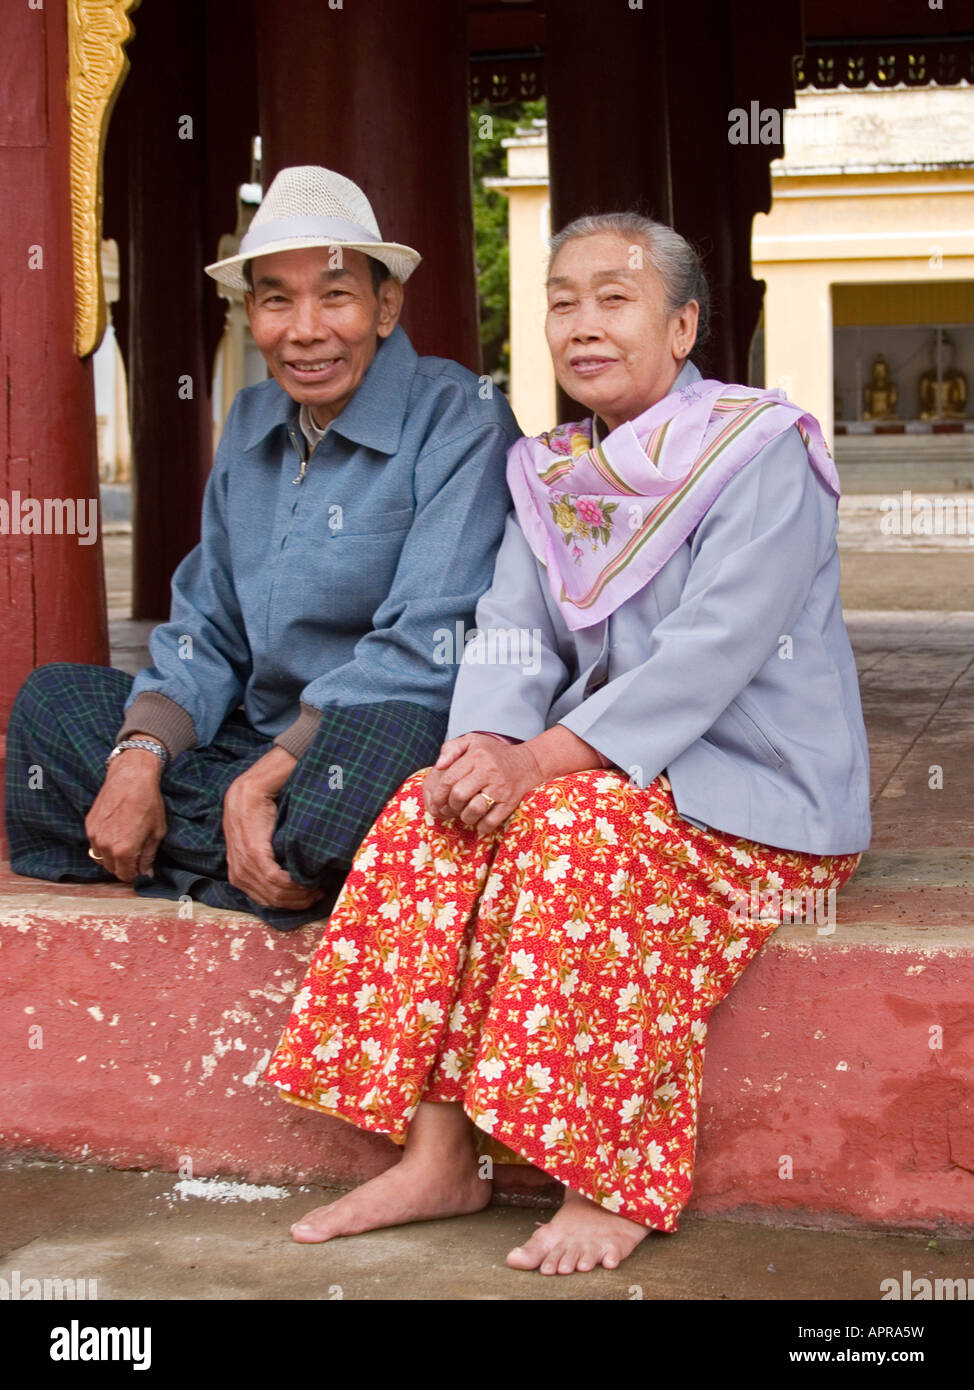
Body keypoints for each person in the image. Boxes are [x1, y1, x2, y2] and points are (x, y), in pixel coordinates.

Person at [265, 211, 871, 1273]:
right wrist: (482, 752)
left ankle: (610, 1174)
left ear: (681, 324)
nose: (581, 323)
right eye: (559, 300)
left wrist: (538, 762)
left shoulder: (759, 452)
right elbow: (509, 631)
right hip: (605, 775)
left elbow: (710, 652)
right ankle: (440, 1152)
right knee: (427, 809)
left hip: (759, 801)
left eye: (614, 297)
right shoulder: (548, 473)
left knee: (572, 829)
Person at [4, 166, 520, 929]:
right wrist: (140, 756)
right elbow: (205, 627)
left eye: (336, 295)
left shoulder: (461, 419)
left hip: (365, 736)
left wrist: (263, 783)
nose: (305, 329)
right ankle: (276, 864)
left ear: (386, 307)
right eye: (278, 298)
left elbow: (424, 650)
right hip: (254, 735)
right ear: (252, 313)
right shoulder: (251, 420)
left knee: (385, 755)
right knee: (51, 704)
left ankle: (218, 846)